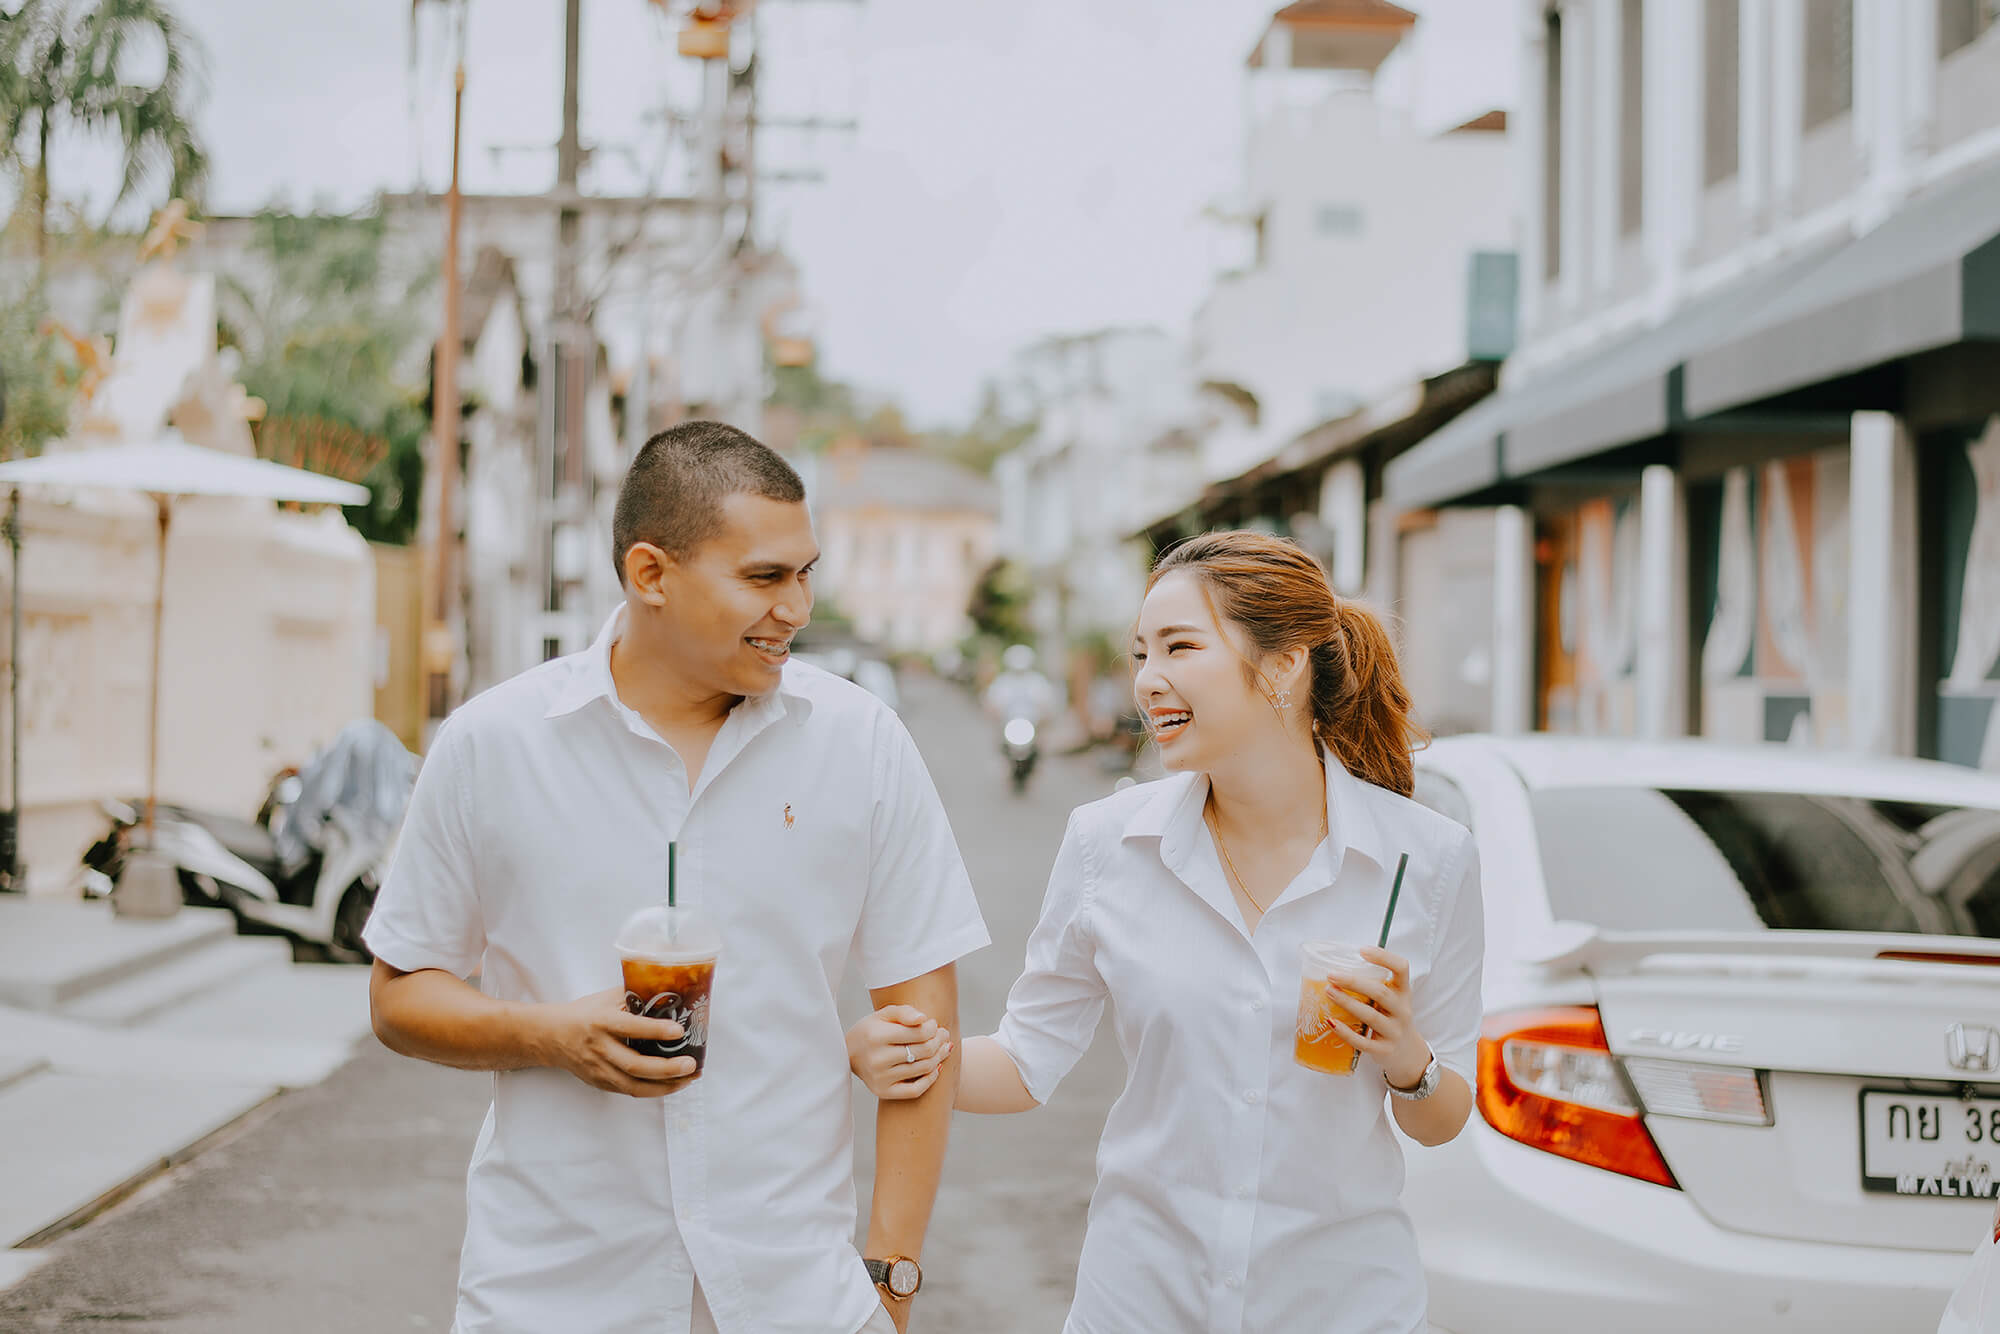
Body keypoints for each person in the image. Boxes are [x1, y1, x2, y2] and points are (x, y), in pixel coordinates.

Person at [365, 421, 989, 1334]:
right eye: (764, 578)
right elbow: (399, 995)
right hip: (554, 1292)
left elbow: (925, 1033)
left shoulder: (861, 745)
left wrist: (889, 1283)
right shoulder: (492, 746)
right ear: (651, 574)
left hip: (795, 1298)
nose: (798, 608)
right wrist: (551, 1035)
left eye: (806, 572)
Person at [848, 530, 1484, 1333]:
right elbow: (1023, 1062)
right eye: (1141, 653)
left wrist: (1405, 1059)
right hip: (1140, 1299)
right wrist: (896, 1054)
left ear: (1284, 665)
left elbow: (1444, 1116)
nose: (1148, 682)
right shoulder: (1105, 843)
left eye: (1180, 648)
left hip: (1340, 1305)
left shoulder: (1423, 863)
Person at [982, 642, 1056, 726]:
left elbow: (1045, 700)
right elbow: (993, 700)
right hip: (1007, 724)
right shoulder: (1002, 681)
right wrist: (994, 712)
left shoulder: (1037, 680)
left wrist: (1045, 714)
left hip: (1032, 724)